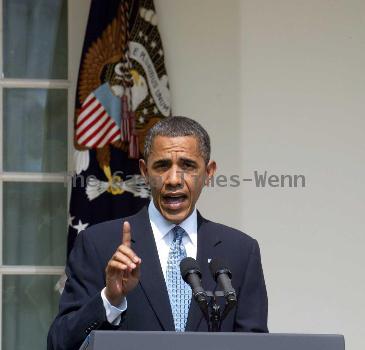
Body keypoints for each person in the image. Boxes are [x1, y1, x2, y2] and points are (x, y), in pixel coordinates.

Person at [47, 116, 268, 350]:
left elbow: (255, 343)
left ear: (209, 172)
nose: (173, 180)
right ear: (144, 171)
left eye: (188, 166)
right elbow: (59, 344)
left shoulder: (240, 251)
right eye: (162, 166)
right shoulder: (98, 244)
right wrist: (109, 299)